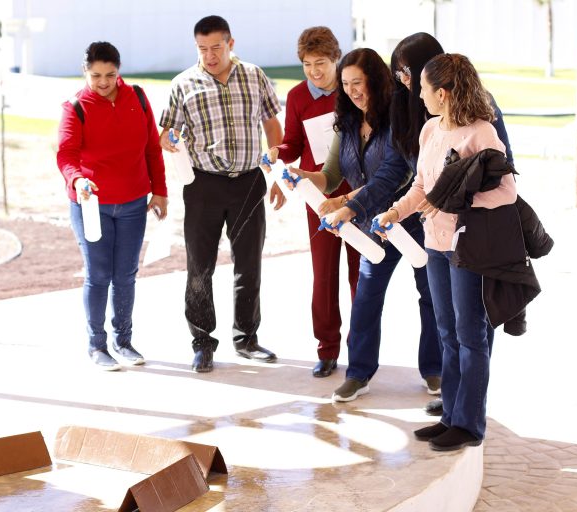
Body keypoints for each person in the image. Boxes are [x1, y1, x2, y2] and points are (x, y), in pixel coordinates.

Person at [375, 53, 517, 451]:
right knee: (447, 333)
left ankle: (470, 425)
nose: (418, 96)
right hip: (434, 244)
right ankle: (451, 415)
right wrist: (394, 212)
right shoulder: (430, 131)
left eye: (422, 88)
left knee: (472, 336)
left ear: (442, 92)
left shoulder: (481, 133)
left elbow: (506, 193)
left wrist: (455, 201)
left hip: (468, 248)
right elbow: (421, 186)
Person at [286, 46, 440, 403]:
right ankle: (358, 373)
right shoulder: (347, 122)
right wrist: (301, 176)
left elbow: (397, 179)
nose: (352, 90)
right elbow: (329, 175)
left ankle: (434, 369)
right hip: (372, 225)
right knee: (367, 298)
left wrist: (346, 203)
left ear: (376, 81)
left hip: (410, 220)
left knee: (430, 296)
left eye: (359, 82)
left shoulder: (399, 121)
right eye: (346, 84)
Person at [159, 15, 284, 373]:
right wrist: (169, 140)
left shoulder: (254, 75)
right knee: (200, 267)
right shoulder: (183, 83)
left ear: (230, 43)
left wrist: (274, 171)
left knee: (249, 265)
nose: (210, 55)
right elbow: (166, 133)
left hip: (248, 182)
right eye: (202, 49)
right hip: (203, 186)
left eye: (216, 47)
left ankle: (247, 338)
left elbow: (272, 122)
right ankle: (202, 342)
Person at [57, 41, 168, 371]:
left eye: (110, 74)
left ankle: (124, 341)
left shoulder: (137, 97)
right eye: (95, 76)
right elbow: (66, 155)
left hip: (134, 202)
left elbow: (152, 148)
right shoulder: (75, 106)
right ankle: (97, 345)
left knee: (126, 275)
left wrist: (159, 191)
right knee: (99, 275)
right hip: (92, 205)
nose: (103, 82)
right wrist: (77, 180)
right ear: (85, 72)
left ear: (119, 71)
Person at [266, 26, 360, 379]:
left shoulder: (353, 91)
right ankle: (327, 349)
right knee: (323, 276)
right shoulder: (297, 97)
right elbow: (292, 142)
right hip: (317, 198)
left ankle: (360, 351)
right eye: (307, 65)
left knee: (359, 277)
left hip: (356, 194)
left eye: (321, 63)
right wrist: (279, 151)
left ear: (336, 59)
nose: (314, 72)